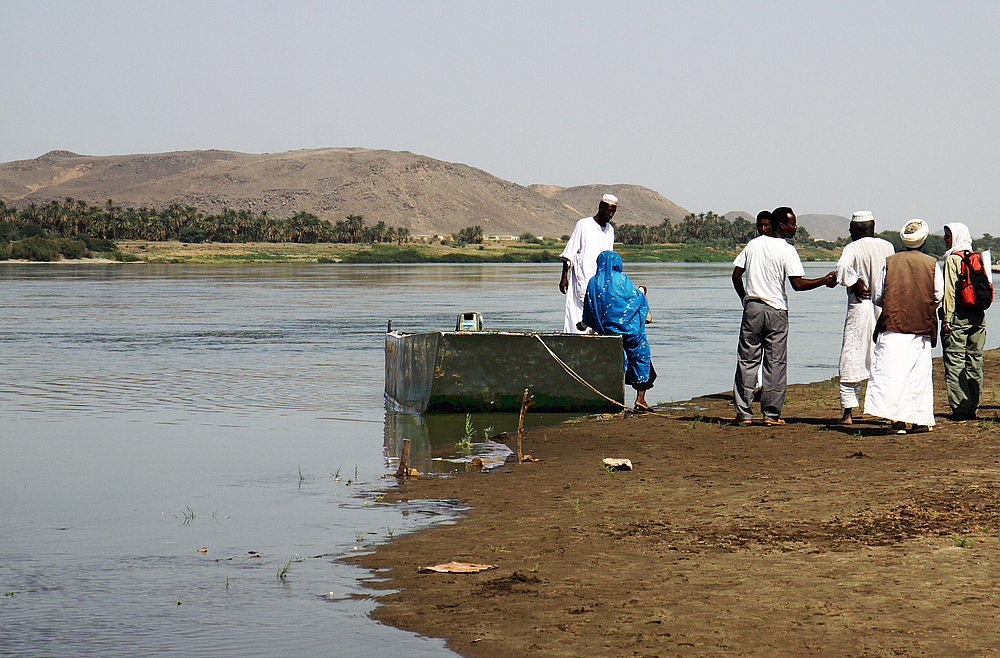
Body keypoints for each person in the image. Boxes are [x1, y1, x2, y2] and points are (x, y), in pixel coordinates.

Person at [732, 207, 837, 426]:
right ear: (781, 224)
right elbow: (797, 285)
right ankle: (771, 415)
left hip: (752, 308)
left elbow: (736, 275)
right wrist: (825, 280)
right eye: (792, 223)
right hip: (776, 312)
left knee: (747, 361)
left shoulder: (753, 244)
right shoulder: (787, 250)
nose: (795, 227)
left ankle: (744, 414)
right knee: (775, 363)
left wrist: (745, 300)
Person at [864, 219, 943, 433]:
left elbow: (878, 297)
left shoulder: (890, 262)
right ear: (924, 240)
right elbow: (938, 296)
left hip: (893, 326)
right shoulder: (932, 264)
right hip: (921, 326)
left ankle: (897, 422)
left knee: (892, 375)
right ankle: (920, 421)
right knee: (919, 375)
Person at [834, 211, 895, 424]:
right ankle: (884, 410)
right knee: (882, 356)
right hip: (883, 306)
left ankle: (848, 412)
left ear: (859, 229)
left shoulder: (853, 247)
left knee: (852, 354)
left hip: (859, 307)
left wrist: (854, 281)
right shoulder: (888, 246)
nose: (850, 232)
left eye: (851, 228)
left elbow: (841, 268)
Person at [582, 250, 655, 411]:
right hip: (629, 331)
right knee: (641, 358)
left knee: (613, 364)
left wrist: (587, 323)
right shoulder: (622, 280)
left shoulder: (593, 282)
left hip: (606, 333)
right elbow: (634, 300)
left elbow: (588, 307)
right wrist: (642, 291)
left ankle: (611, 400)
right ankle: (640, 400)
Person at [940, 222, 987, 420]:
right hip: (978, 316)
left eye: (947, 236)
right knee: (975, 360)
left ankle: (960, 408)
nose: (945, 240)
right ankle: (974, 406)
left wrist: (946, 319)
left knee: (955, 361)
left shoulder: (953, 259)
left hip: (958, 318)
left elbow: (949, 293)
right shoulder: (977, 257)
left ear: (956, 237)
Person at [559, 194, 617, 333]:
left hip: (601, 282)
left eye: (613, 212)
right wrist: (564, 277)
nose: (610, 215)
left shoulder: (610, 230)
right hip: (582, 277)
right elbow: (569, 253)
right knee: (578, 312)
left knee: (599, 312)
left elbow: (610, 258)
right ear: (600, 207)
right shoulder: (583, 225)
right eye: (608, 210)